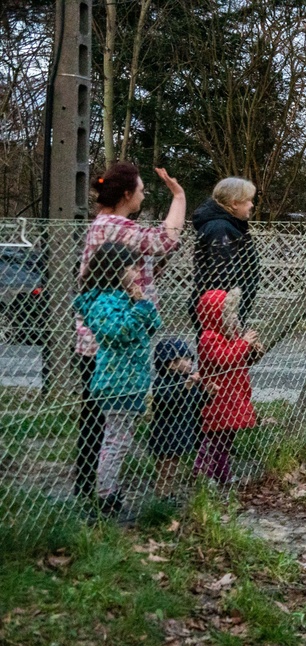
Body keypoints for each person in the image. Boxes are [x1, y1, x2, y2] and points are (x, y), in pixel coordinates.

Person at [74, 163, 185, 501]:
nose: (143, 193)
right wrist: (179, 196)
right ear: (126, 194)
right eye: (140, 189)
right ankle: (96, 490)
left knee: (98, 421)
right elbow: (166, 239)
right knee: (101, 423)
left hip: (107, 337)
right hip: (107, 341)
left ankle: (93, 487)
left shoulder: (110, 225)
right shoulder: (114, 226)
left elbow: (151, 260)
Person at [74, 242, 162, 516]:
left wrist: (140, 301)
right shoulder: (104, 301)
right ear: (115, 269)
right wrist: (137, 308)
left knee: (120, 438)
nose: (138, 271)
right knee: (116, 440)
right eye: (132, 266)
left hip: (131, 380)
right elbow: (119, 331)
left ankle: (109, 488)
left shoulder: (125, 297)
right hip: (116, 381)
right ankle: (106, 494)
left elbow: (153, 326)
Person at [194, 288, 263, 484]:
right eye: (229, 314)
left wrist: (253, 351)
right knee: (214, 437)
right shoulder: (208, 337)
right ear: (216, 316)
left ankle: (222, 473)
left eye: (234, 313)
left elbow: (240, 361)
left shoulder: (231, 338)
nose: (234, 318)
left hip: (235, 395)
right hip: (218, 397)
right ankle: (203, 471)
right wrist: (243, 344)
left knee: (226, 440)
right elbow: (223, 359)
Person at [150, 339, 217, 501]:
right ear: (171, 364)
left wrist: (208, 394)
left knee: (174, 467)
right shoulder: (162, 383)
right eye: (185, 359)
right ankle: (162, 496)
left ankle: (168, 494)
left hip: (180, 433)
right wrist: (184, 388)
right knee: (166, 467)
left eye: (190, 359)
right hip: (165, 434)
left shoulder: (188, 380)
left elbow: (196, 402)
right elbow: (167, 402)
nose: (190, 363)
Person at [190, 177, 260, 328]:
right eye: (248, 200)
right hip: (222, 311)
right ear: (234, 203)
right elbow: (223, 276)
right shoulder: (221, 229)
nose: (251, 205)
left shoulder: (231, 226)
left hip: (227, 309)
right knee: (221, 350)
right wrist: (231, 313)